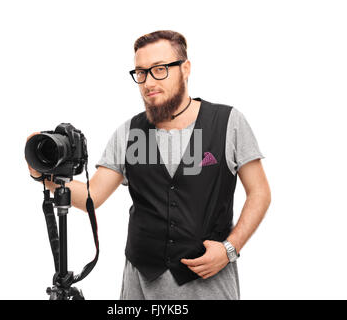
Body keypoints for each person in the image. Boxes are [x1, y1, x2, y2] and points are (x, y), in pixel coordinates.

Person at [26, 30, 271, 300]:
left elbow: (259, 193)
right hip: (140, 284)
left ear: (185, 69)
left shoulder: (228, 123)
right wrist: (43, 174)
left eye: (160, 69)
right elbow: (91, 197)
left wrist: (229, 249)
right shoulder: (129, 132)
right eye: (141, 72)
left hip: (208, 283)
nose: (148, 82)